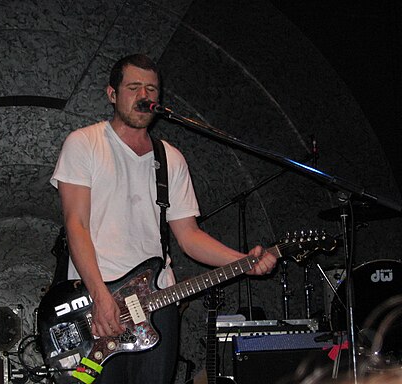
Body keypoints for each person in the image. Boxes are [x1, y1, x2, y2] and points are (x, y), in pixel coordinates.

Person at [50, 53, 277, 384]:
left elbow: (189, 237)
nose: (144, 96)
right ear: (112, 94)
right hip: (96, 303)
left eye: (151, 89)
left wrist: (243, 261)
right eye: (134, 87)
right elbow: (76, 226)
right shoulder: (84, 143)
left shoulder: (170, 158)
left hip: (157, 302)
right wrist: (99, 295)